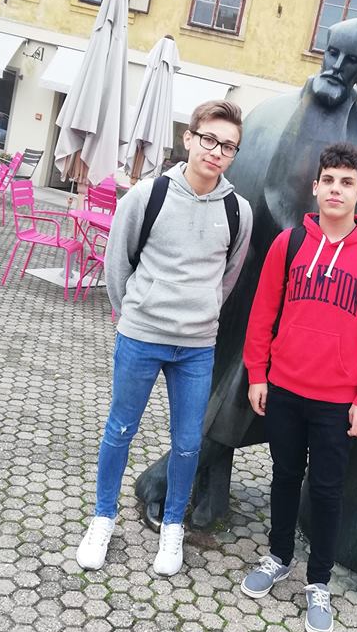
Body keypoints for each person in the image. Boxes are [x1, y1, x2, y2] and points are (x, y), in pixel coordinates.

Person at [134, 18, 357, 531]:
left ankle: (168, 476)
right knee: (223, 387)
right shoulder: (268, 115)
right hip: (242, 279)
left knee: (246, 395)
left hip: (307, 298)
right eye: (333, 53)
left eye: (351, 61)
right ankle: (206, 491)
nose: (337, 67)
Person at [76, 100, 252, 575]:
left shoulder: (238, 211)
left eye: (228, 146)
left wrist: (203, 310)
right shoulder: (147, 195)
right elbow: (118, 262)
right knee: (120, 430)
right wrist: (134, 312)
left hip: (196, 347)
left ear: (234, 153)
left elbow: (228, 276)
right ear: (189, 138)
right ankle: (103, 517)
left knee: (189, 442)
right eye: (209, 139)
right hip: (141, 336)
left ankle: (173, 526)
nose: (216, 151)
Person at [240, 142, 357, 632]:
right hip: (284, 388)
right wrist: (257, 373)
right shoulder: (288, 245)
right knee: (284, 476)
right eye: (328, 180)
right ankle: (278, 556)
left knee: (327, 492)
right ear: (315, 187)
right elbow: (262, 312)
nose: (336, 189)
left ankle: (319, 582)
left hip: (337, 400)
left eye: (346, 183)